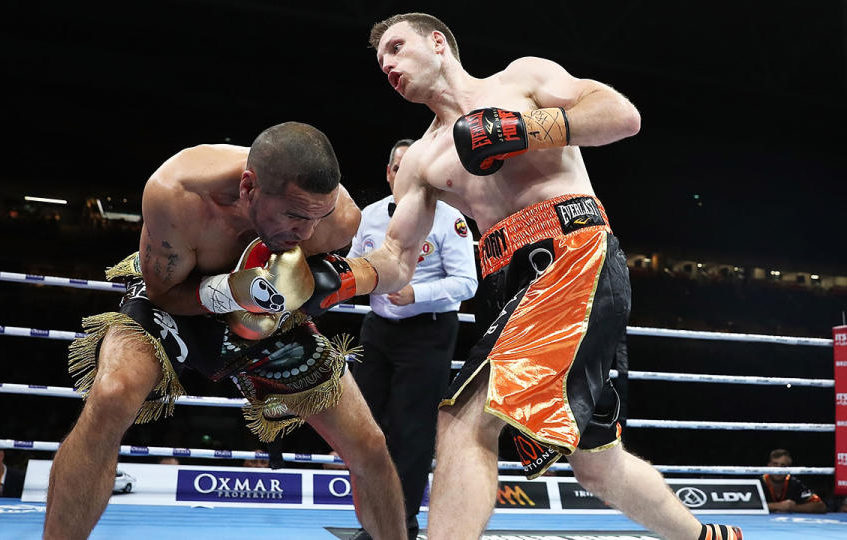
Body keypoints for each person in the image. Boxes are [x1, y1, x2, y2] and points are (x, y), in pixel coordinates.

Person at [300, 13, 742, 540]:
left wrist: (523, 131)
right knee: (596, 462)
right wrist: (343, 279)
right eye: (381, 63)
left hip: (572, 255)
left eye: (396, 48)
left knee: (466, 417)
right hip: (503, 284)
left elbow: (622, 116)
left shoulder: (522, 79)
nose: (389, 66)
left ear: (438, 43)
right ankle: (709, 538)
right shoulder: (421, 158)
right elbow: (397, 255)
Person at [44, 122, 407, 540]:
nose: (307, 232)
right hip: (180, 298)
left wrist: (339, 279)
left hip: (270, 317)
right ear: (249, 187)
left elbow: (393, 267)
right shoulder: (176, 194)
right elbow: (164, 292)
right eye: (293, 215)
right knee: (110, 396)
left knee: (371, 445)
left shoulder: (337, 218)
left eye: (315, 218)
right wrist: (229, 292)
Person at [347, 138, 477, 540]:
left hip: (428, 334)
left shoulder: (449, 219)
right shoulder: (369, 216)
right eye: (401, 169)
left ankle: (399, 526)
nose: (409, 177)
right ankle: (372, 522)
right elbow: (355, 266)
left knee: (412, 432)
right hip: (377, 331)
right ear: (390, 173)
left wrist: (416, 293)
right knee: (363, 427)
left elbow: (467, 282)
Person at [760, 448, 826, 513]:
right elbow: (750, 505)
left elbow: (821, 506)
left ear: (789, 469)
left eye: (783, 466)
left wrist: (793, 507)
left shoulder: (794, 483)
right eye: (775, 464)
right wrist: (777, 506)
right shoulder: (758, 482)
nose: (778, 469)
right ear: (768, 465)